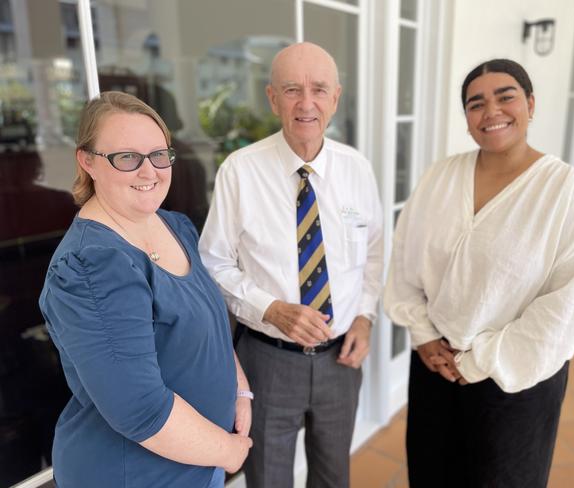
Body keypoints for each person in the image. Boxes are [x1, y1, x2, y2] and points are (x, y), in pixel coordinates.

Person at [384, 59, 574, 488]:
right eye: (476, 103)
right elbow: (406, 260)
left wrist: (477, 363)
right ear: (467, 119)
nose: (491, 111)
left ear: (530, 103)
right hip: (436, 366)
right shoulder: (440, 177)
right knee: (431, 474)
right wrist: (424, 335)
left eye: (505, 97)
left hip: (514, 381)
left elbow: (563, 310)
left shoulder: (568, 195)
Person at [38, 91, 252, 488]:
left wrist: (239, 389)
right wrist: (228, 450)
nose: (149, 171)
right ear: (87, 162)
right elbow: (141, 410)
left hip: (196, 463)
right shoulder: (91, 266)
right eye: (126, 158)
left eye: (159, 154)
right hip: (135, 475)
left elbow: (210, 322)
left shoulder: (174, 224)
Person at [199, 42, 383, 488]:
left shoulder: (358, 169)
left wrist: (365, 316)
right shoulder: (239, 171)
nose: (306, 103)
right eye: (292, 90)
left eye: (319, 89)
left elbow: (374, 253)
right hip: (268, 361)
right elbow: (212, 263)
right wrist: (270, 308)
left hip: (341, 361)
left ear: (335, 97)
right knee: (267, 480)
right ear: (272, 98)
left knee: (333, 476)